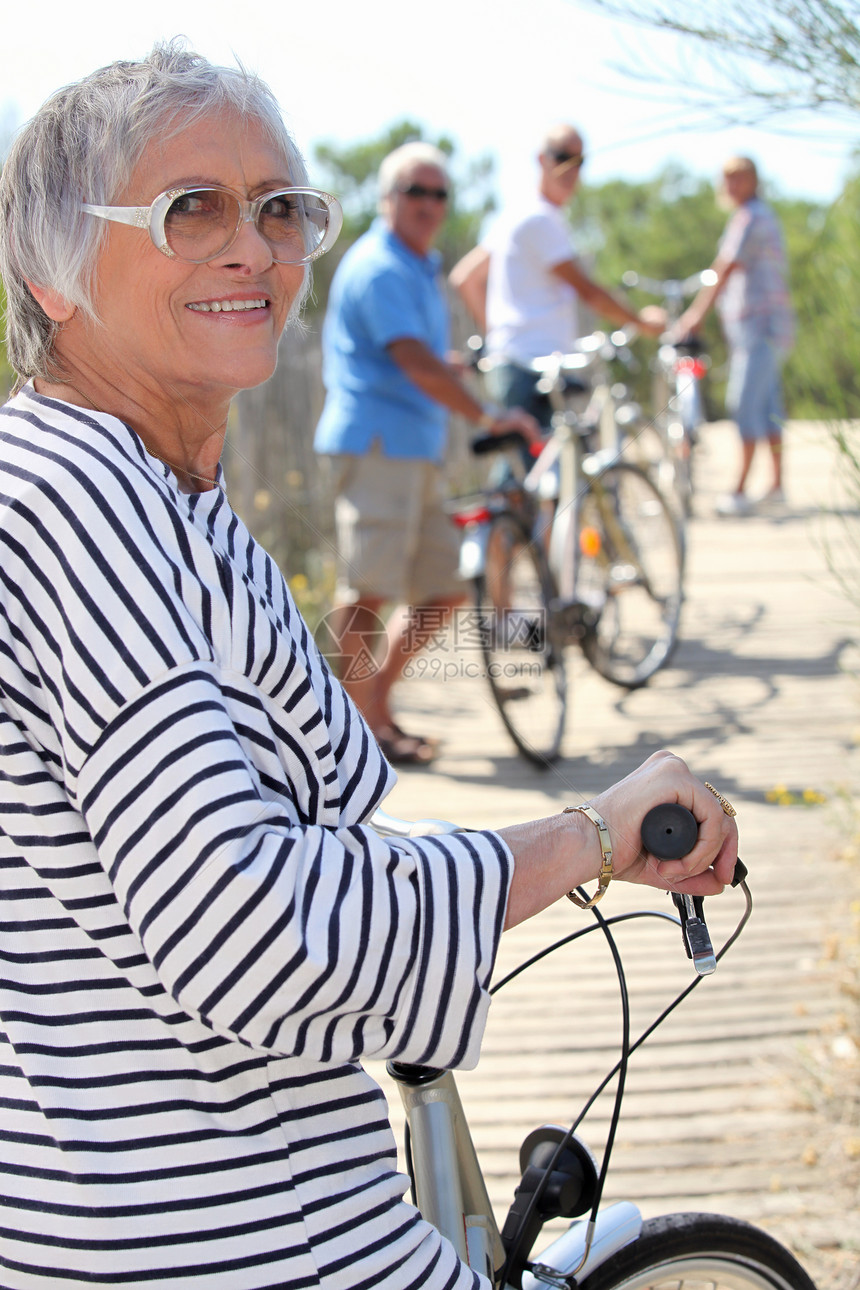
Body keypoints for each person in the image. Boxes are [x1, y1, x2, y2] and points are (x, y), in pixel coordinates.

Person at [0, 41, 738, 1289]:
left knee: (421, 601)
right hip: (214, 1229)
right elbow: (251, 929)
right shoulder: (78, 506)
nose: (256, 249)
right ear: (51, 273)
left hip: (240, 1178)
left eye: (282, 208)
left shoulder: (169, 497)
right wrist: (587, 840)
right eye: (194, 210)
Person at [314, 142, 538, 766]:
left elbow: (415, 355)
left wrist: (455, 367)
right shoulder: (381, 268)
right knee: (366, 593)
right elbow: (411, 361)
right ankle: (346, 737)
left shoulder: (417, 266)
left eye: (439, 193)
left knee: (444, 587)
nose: (429, 204)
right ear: (387, 199)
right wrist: (490, 412)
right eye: (415, 191)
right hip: (378, 447)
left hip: (415, 452)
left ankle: (373, 711)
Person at [449, 123, 664, 423]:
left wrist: (500, 338)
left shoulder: (518, 214)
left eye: (579, 161)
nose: (571, 169)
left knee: (529, 464)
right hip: (532, 367)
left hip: (518, 362)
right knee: (534, 462)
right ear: (541, 159)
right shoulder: (540, 219)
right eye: (562, 157)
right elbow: (588, 292)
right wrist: (640, 323)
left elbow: (465, 278)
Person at [672, 156, 795, 516]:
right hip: (763, 327)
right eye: (727, 179)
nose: (732, 186)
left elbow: (722, 269)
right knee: (769, 406)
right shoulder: (757, 214)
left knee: (744, 404)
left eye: (739, 179)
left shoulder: (751, 218)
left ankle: (740, 490)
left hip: (762, 328)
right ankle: (776, 485)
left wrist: (694, 316)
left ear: (754, 181)